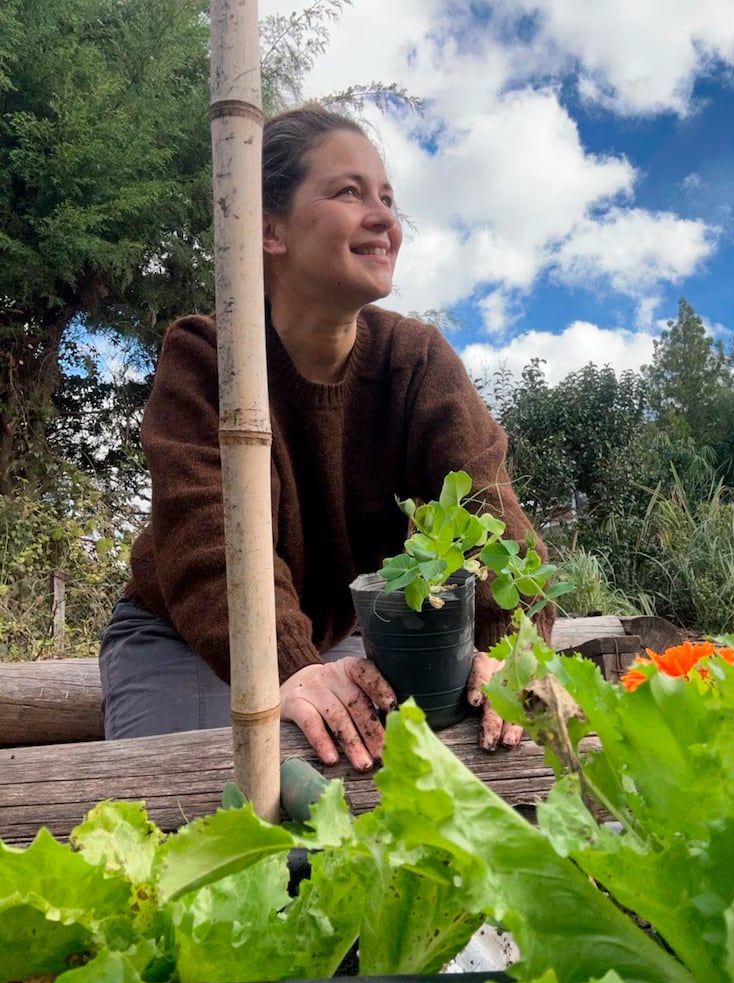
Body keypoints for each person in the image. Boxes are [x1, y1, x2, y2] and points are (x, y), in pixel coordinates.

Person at [99, 104, 554, 771]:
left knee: (396, 811)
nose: (384, 218)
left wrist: (511, 650)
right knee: (189, 826)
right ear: (268, 230)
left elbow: (490, 514)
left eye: (388, 199)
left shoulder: (416, 361)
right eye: (348, 191)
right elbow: (207, 543)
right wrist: (289, 666)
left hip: (333, 640)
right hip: (184, 636)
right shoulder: (208, 354)